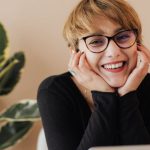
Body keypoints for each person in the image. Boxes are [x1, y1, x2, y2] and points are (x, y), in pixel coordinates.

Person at [37, 0, 150, 150]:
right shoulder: (54, 90)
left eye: (122, 36)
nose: (113, 52)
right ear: (75, 52)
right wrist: (104, 96)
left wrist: (127, 96)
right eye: (96, 41)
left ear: (138, 43)